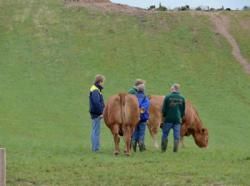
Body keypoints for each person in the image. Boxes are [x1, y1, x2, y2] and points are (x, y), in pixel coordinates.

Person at [161, 83, 185, 153]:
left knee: (165, 134)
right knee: (176, 135)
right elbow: (183, 111)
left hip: (168, 119)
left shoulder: (167, 97)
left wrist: (164, 117)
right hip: (177, 120)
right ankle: (175, 150)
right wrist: (180, 117)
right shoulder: (182, 98)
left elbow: (164, 110)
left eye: (171, 88)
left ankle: (163, 149)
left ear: (173, 89)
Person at [130, 80, 150, 152]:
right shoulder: (145, 98)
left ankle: (134, 145)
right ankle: (141, 145)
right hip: (143, 119)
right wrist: (141, 112)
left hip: (134, 118)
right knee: (142, 132)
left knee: (135, 132)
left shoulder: (133, 97)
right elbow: (145, 107)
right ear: (143, 90)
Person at [89, 74, 105, 152]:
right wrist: (101, 112)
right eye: (102, 82)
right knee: (96, 131)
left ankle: (94, 148)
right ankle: (95, 149)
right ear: (100, 81)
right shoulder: (95, 90)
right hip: (96, 113)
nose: (103, 83)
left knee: (94, 130)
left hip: (94, 113)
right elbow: (96, 102)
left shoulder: (94, 89)